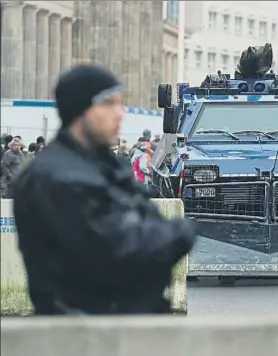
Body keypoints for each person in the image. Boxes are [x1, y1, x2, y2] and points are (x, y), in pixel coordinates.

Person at [11, 65, 198, 315]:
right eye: (108, 104)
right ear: (80, 109)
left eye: (120, 104)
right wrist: (180, 234)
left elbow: (147, 222)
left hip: (128, 325)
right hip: (83, 333)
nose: (119, 114)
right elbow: (116, 254)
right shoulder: (54, 177)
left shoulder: (106, 167)